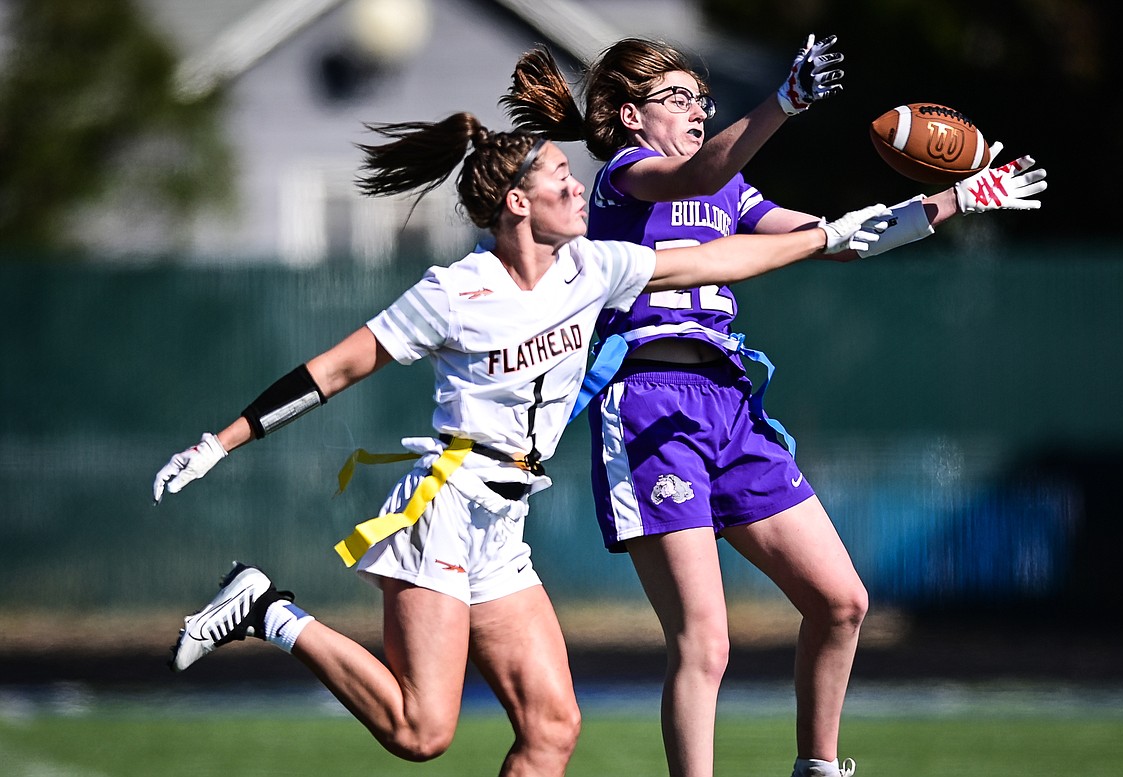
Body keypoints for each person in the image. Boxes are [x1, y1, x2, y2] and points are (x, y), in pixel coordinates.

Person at [151, 111, 894, 777]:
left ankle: (264, 610)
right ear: (517, 203)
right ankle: (267, 610)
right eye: (562, 180)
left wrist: (824, 236)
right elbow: (333, 369)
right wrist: (219, 443)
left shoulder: (591, 266)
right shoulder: (454, 291)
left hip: (504, 525)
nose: (580, 192)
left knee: (551, 730)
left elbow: (716, 260)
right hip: (442, 509)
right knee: (421, 730)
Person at [501, 35, 1047, 777]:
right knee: (706, 640)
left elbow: (844, 240)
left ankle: (817, 767)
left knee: (842, 601)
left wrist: (962, 197)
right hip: (650, 404)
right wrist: (784, 101)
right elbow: (703, 166)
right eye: (679, 98)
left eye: (703, 98)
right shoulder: (626, 177)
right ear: (631, 116)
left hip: (729, 403)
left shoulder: (730, 191)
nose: (697, 109)